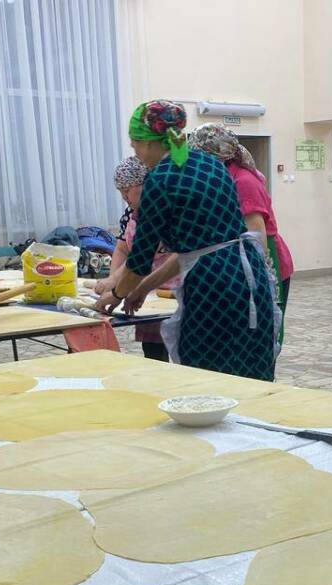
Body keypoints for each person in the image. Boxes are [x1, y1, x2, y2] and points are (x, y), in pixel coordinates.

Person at [97, 100, 277, 380]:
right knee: (248, 370)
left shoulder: (160, 179)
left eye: (135, 146)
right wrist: (143, 289)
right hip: (249, 277)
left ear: (149, 143)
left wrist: (117, 295)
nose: (137, 154)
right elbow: (194, 252)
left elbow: (140, 260)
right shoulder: (211, 165)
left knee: (208, 373)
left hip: (212, 286)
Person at [189, 124, 294, 339]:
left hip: (264, 259)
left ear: (215, 158)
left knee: (261, 331)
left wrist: (257, 283)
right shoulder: (223, 179)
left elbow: (257, 239)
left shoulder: (243, 182)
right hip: (240, 261)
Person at [95, 156, 175, 360]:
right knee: (154, 350)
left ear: (145, 185)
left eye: (127, 190)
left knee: (178, 347)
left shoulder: (162, 210)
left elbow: (142, 255)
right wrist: (112, 280)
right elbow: (123, 249)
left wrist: (115, 286)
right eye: (120, 191)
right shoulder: (131, 214)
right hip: (146, 290)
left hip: (173, 288)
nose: (124, 197)